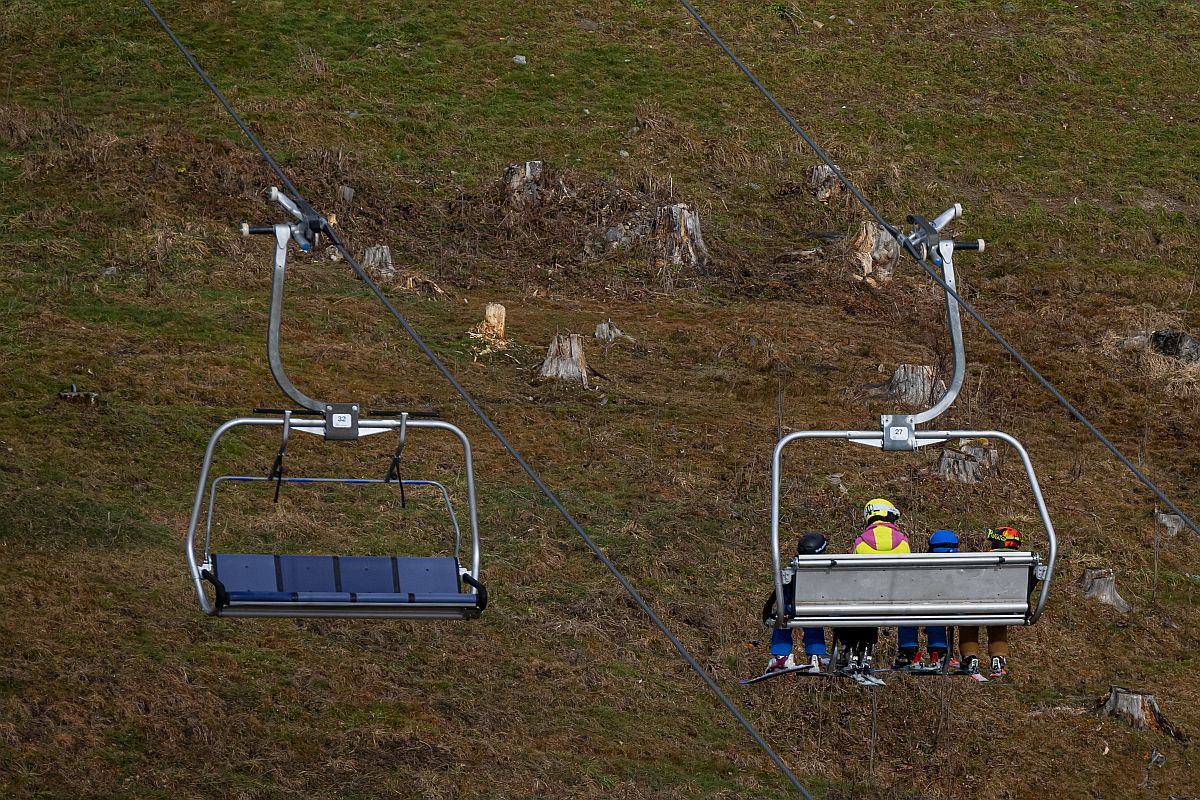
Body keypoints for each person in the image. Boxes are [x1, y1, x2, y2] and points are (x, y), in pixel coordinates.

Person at [834, 499, 911, 675]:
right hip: (894, 599)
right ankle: (867, 649)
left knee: (856, 604)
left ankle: (850, 650)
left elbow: (851, 576)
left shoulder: (861, 541)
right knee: (873, 603)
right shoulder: (903, 542)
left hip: (864, 598)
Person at [958, 525, 1023, 678]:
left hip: (978, 604)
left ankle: (970, 657)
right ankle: (998, 658)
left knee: (968, 621)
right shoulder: (1023, 560)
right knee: (998, 622)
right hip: (1010, 606)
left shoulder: (984, 558)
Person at [764, 533, 830, 674]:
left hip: (792, 608)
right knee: (814, 621)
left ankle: (782, 656)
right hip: (819, 610)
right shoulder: (828, 571)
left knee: (782, 621)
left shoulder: (793, 569)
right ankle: (815, 656)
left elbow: (781, 593)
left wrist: (769, 610)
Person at [894, 529, 958, 671]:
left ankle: (908, 652)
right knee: (937, 614)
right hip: (955, 610)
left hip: (918, 606)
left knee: (908, 614)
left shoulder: (922, 566)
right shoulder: (962, 568)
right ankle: (938, 653)